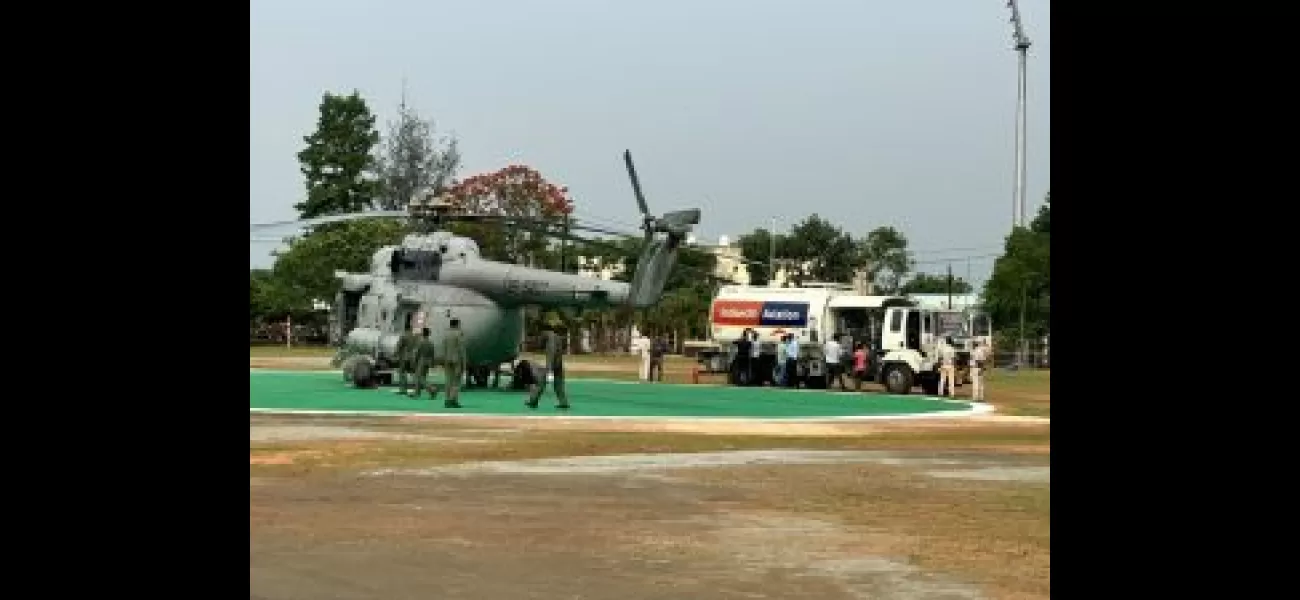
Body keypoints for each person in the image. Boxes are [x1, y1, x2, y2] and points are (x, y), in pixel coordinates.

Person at [528, 326, 570, 410]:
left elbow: (551, 355)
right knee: (559, 384)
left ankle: (533, 401)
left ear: (544, 333)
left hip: (552, 364)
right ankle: (563, 402)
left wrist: (549, 371)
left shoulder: (550, 341)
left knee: (541, 383)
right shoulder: (557, 337)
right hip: (559, 363)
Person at [441, 318, 467, 408]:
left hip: (447, 359)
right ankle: (453, 400)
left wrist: (444, 359)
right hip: (456, 359)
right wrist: (464, 361)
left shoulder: (446, 334)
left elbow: (443, 347)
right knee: (456, 381)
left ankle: (447, 399)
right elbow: (461, 348)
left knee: (448, 380)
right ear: (457, 325)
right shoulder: (459, 334)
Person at [410, 327, 442, 402]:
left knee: (419, 377)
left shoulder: (420, 342)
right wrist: (432, 363)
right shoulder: (431, 343)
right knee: (422, 377)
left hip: (421, 360)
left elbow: (417, 353)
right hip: (428, 361)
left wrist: (414, 362)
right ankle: (417, 393)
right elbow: (433, 354)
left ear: (422, 333)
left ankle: (432, 389)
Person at [393, 321, 420, 395]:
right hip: (412, 357)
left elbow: (399, 346)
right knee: (414, 374)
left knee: (402, 373)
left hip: (404, 357)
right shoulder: (415, 336)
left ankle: (403, 389)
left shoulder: (404, 336)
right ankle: (416, 388)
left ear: (405, 328)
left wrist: (395, 354)